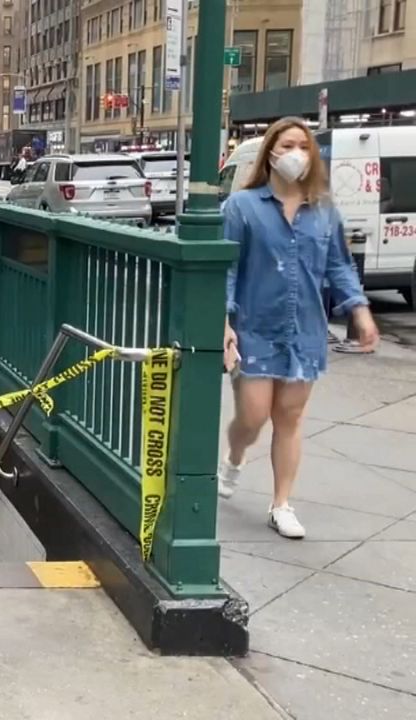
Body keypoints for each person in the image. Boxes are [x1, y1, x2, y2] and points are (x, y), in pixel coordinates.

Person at [219, 117, 379, 538]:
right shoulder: (242, 207)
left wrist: (359, 311)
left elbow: (339, 267)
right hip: (255, 327)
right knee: (252, 417)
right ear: (271, 151)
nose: (297, 154)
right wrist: (224, 320)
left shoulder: (324, 211)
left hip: (304, 331)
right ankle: (235, 454)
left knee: (289, 417)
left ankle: (281, 504)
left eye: (305, 147)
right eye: (288, 145)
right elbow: (227, 268)